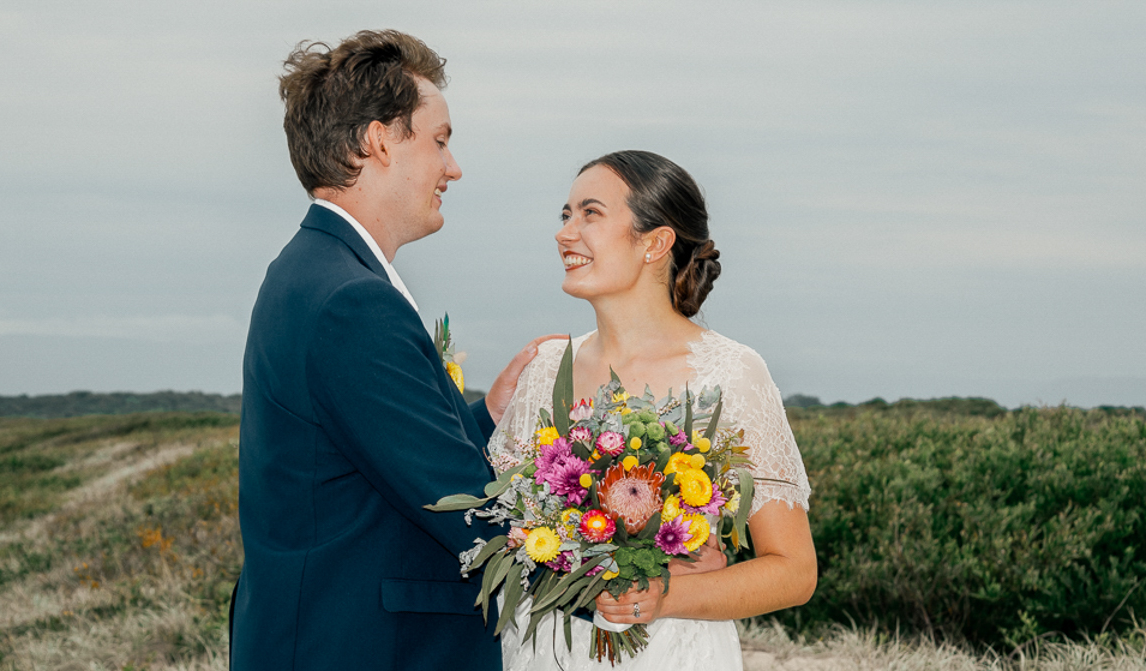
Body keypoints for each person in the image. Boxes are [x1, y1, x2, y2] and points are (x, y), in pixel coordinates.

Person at [230, 30, 558, 671]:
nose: (453, 166)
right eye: (440, 140)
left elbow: (372, 464)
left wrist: (485, 412)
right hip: (360, 646)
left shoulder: (312, 270)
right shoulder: (353, 301)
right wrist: (634, 566)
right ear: (380, 140)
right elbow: (463, 512)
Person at [491, 150, 817, 670]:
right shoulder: (546, 369)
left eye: (590, 213)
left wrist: (663, 596)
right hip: (543, 651)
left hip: (670, 653)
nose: (565, 233)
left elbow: (793, 571)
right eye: (565, 215)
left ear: (656, 242)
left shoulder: (730, 372)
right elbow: (491, 528)